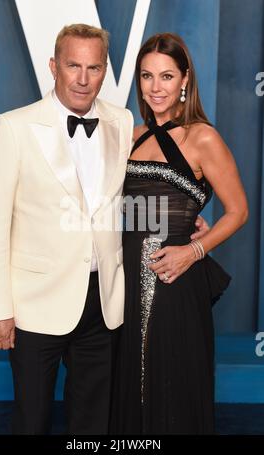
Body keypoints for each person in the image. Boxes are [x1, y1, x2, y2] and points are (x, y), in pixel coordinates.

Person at [0, 23, 134, 435]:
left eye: (94, 67)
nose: (83, 79)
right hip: (33, 305)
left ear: (104, 71)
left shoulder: (121, 121)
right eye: (73, 66)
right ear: (53, 66)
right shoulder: (12, 127)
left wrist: (180, 220)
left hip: (102, 301)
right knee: (32, 419)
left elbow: (126, 199)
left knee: (94, 421)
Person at [110, 33, 248, 435]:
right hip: (127, 283)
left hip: (175, 280)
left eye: (167, 76)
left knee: (173, 382)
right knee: (130, 384)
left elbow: (239, 211)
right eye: (147, 76)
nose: (156, 87)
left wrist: (193, 250)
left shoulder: (202, 137)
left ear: (185, 80)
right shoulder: (133, 135)